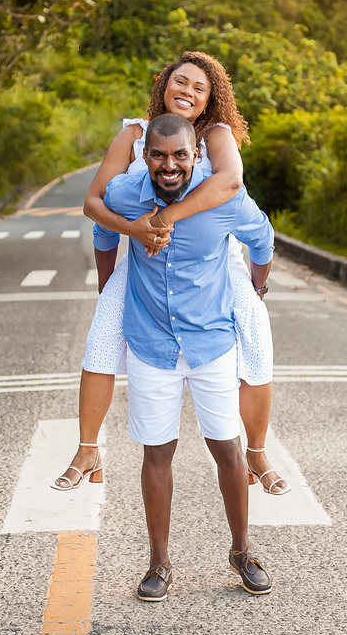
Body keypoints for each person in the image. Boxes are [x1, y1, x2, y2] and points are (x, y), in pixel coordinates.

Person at [52, 52, 288, 496]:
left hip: (211, 254)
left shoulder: (216, 135)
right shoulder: (133, 134)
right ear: (163, 85)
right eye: (180, 82)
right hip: (142, 249)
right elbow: (98, 205)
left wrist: (168, 219)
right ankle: (87, 448)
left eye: (200, 88)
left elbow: (231, 184)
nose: (188, 92)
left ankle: (255, 450)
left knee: (255, 333)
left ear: (208, 102)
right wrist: (124, 255)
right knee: (103, 334)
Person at [94, 114, 274, 600]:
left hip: (212, 342)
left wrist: (257, 289)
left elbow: (263, 237)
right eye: (158, 155)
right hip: (151, 344)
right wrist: (107, 284)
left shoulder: (223, 199)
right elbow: (101, 227)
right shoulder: (128, 194)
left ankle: (242, 551)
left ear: (196, 154)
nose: (168, 165)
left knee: (226, 448)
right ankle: (159, 563)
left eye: (179, 155)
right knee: (158, 453)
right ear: (145, 156)